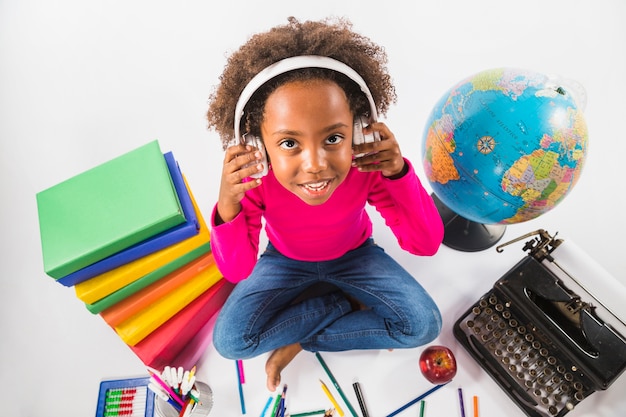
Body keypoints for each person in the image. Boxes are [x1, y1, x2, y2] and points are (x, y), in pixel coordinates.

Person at [206, 16, 444, 392]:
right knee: (231, 342)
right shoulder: (257, 180)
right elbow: (236, 269)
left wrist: (398, 173)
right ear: (258, 147)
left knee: (422, 325)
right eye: (289, 144)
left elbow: (425, 243)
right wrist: (228, 204)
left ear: (360, 130)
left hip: (354, 255)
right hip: (285, 261)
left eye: (334, 137)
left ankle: (303, 339)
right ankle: (340, 304)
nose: (315, 164)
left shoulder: (365, 164)